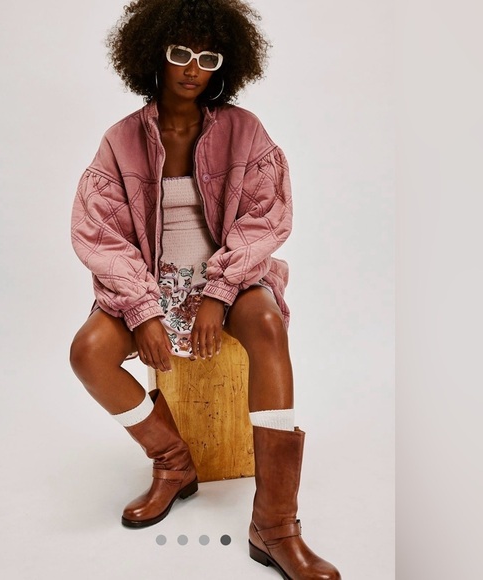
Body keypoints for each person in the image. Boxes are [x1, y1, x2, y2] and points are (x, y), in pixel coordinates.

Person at [69, 1, 341, 578]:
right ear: (154, 54)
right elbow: (101, 234)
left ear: (225, 64)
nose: (193, 68)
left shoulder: (245, 131)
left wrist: (218, 294)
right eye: (180, 53)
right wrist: (142, 310)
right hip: (149, 284)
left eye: (208, 57)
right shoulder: (120, 141)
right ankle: (172, 462)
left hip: (230, 280)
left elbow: (265, 219)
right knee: (88, 351)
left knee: (266, 323)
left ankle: (275, 524)